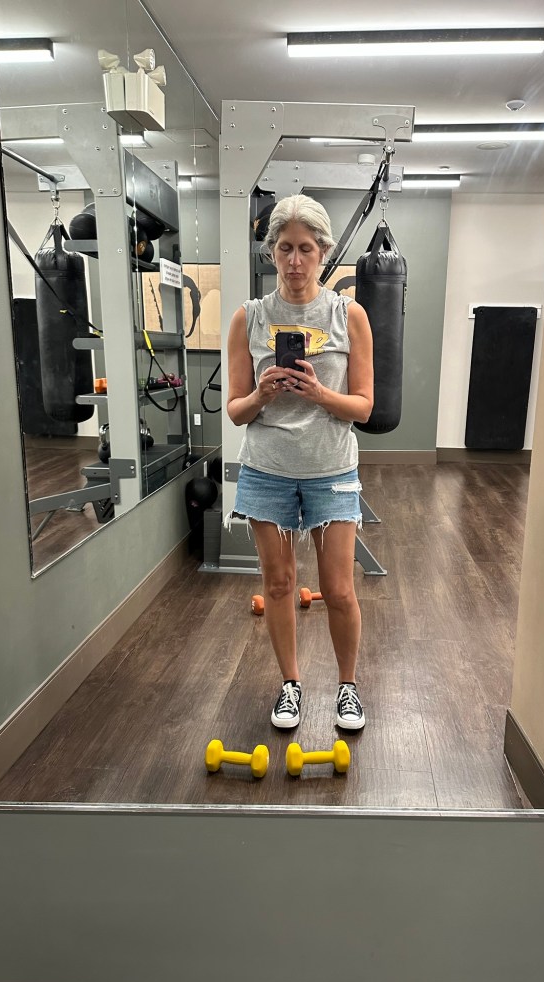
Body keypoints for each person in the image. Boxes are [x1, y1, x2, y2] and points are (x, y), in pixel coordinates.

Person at [226, 194, 374, 731]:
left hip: (331, 470)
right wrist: (262, 394)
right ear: (271, 252)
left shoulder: (348, 315)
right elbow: (236, 410)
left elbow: (363, 406)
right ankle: (290, 685)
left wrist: (319, 394)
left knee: (338, 589)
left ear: (323, 252)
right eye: (285, 248)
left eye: (306, 249)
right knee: (279, 585)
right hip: (267, 470)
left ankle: (347, 687)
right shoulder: (249, 318)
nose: (294, 261)